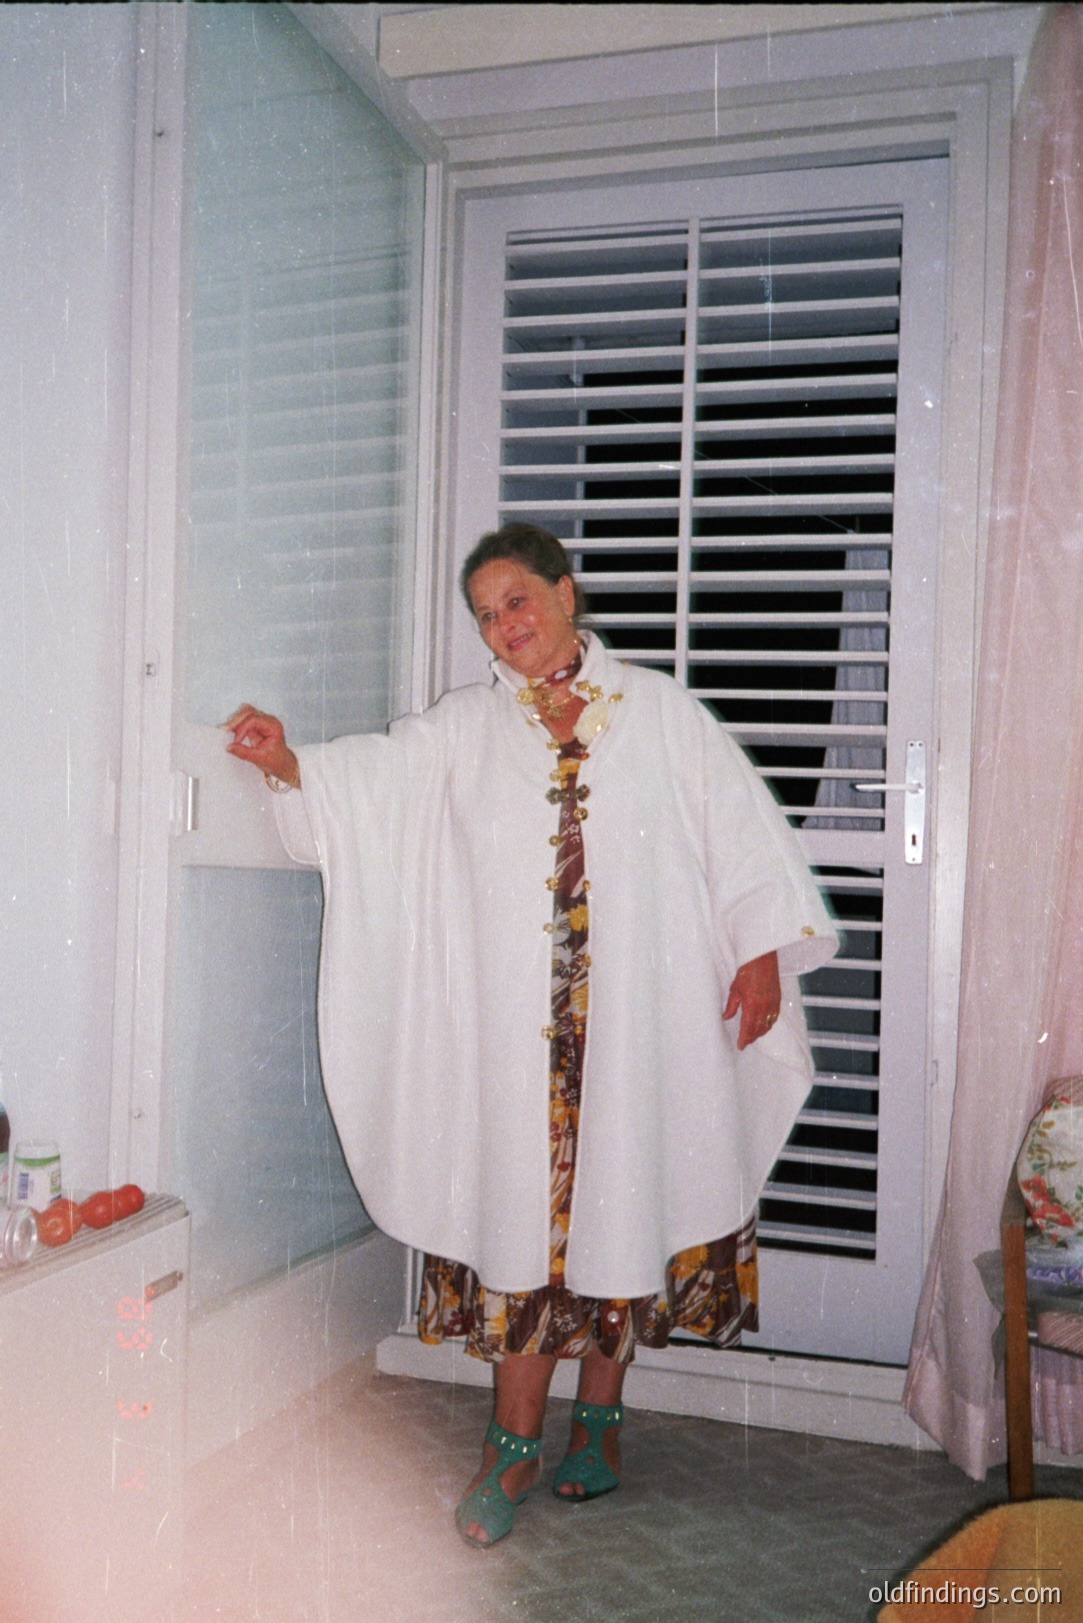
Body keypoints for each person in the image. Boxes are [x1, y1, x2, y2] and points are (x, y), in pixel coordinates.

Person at [226, 523, 837, 1548]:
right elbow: (373, 784)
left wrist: (762, 948)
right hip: (524, 1045)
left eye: (518, 600)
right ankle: (510, 1453)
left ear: (564, 594)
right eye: (485, 615)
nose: (505, 626)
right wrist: (289, 762)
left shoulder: (661, 711)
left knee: (627, 1209)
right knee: (532, 1228)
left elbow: (739, 833)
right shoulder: (467, 726)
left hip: (646, 1025)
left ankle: (598, 1428)